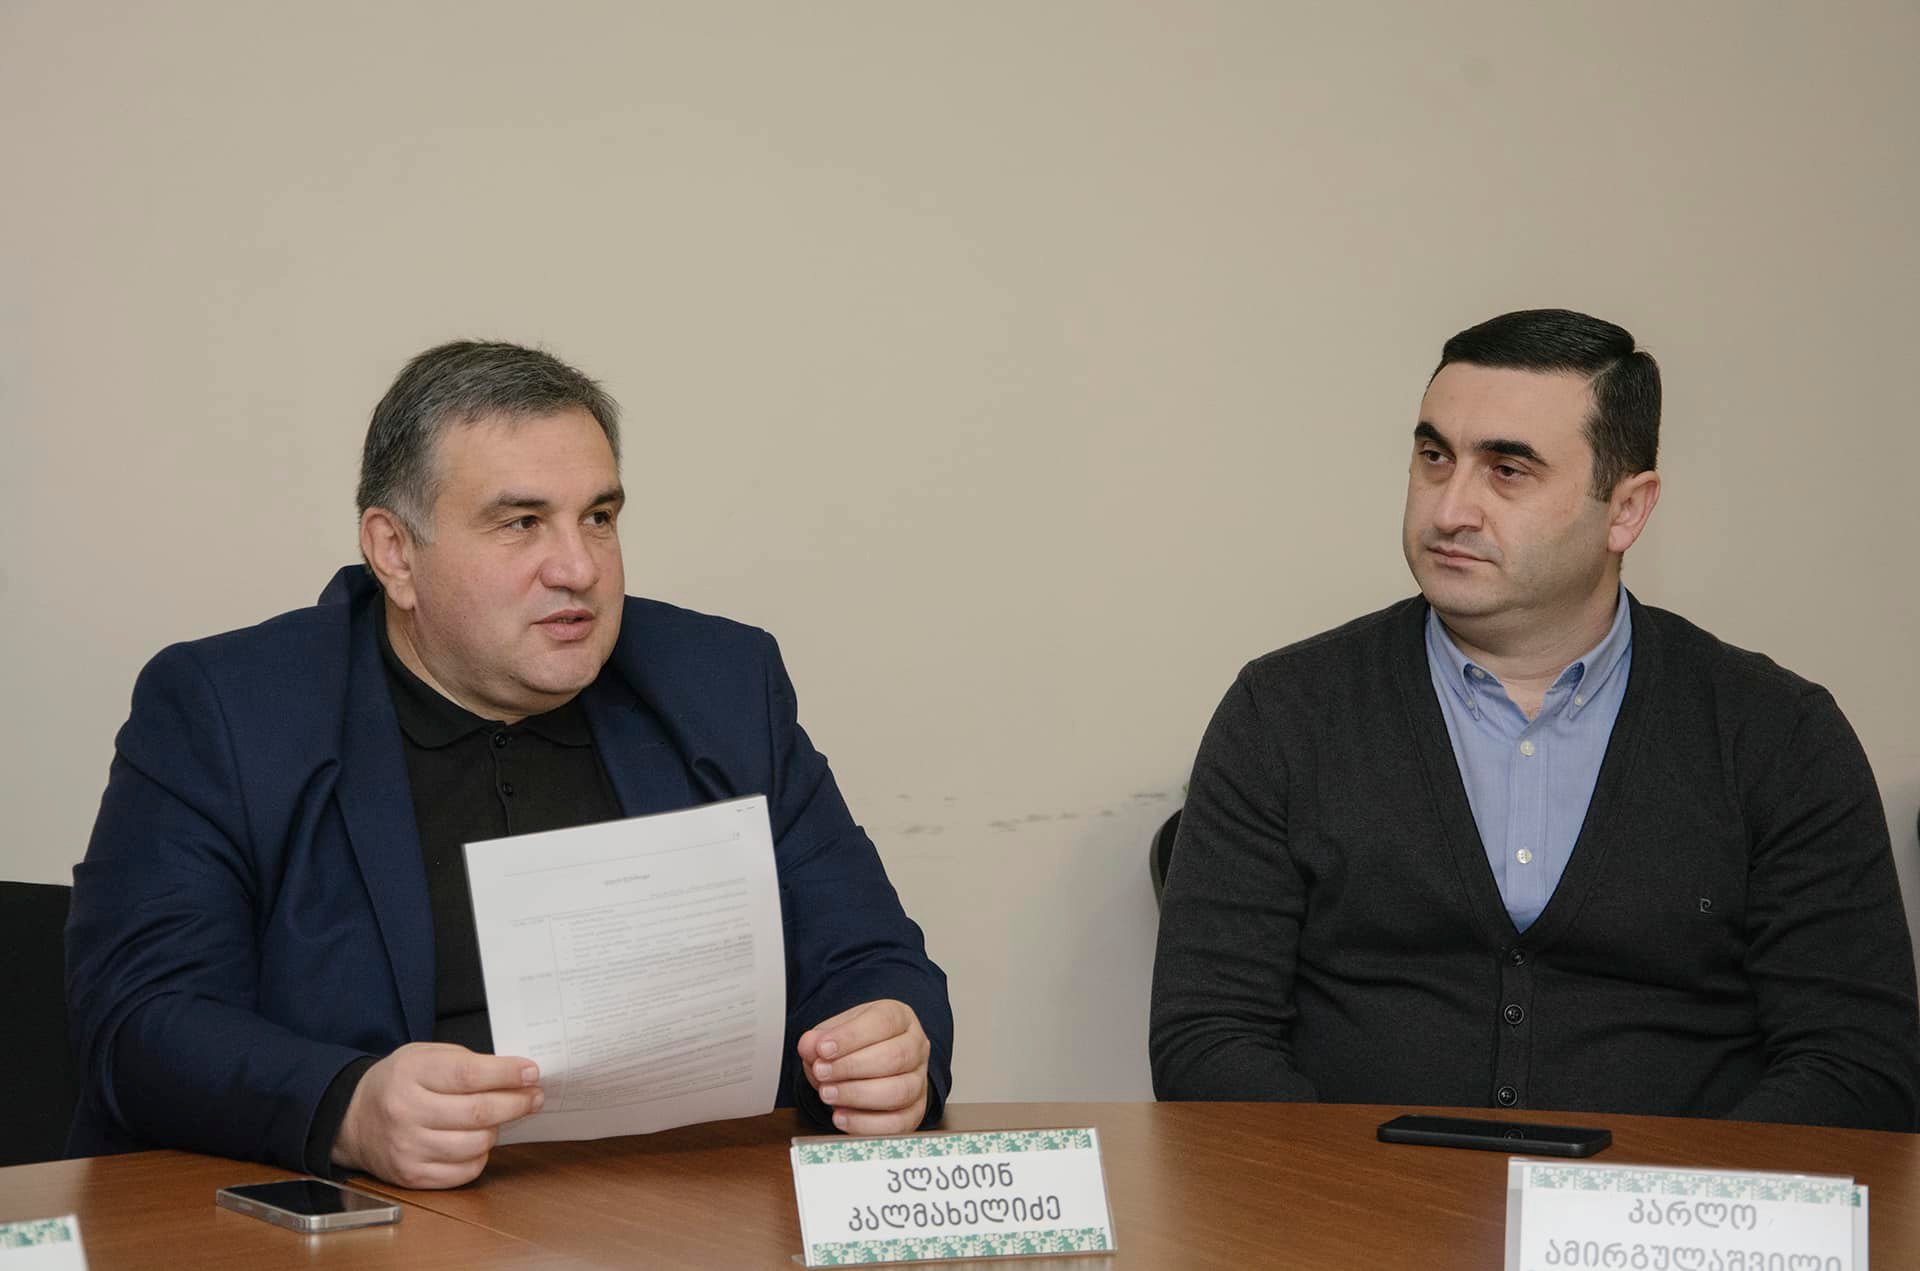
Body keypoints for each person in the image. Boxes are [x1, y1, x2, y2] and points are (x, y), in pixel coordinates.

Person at [67, 341, 953, 1188]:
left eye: (598, 518)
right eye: (521, 522)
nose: (578, 567)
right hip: (354, 1228)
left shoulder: (720, 683)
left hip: (672, 1207)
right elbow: (141, 1021)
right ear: (394, 552)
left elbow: (876, 959)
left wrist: (890, 1049)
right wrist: (348, 1106)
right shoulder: (230, 710)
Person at [1149, 308, 1920, 1130]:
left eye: (1508, 470)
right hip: (1347, 1198)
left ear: (1626, 510)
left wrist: (1674, 1197)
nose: (1450, 509)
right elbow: (1208, 1037)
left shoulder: (1777, 735)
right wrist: (1362, 1192)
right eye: (1435, 457)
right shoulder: (1284, 712)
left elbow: (1858, 1062)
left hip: (1677, 1205)